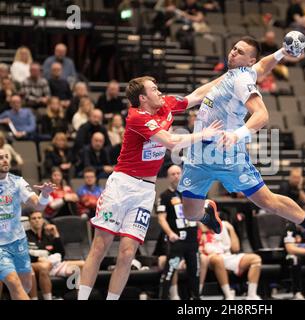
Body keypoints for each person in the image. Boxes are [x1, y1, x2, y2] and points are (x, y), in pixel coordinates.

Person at [178, 36, 305, 261]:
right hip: (199, 155)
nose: (233, 53)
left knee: (268, 202)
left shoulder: (242, 79)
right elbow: (261, 66)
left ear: (248, 60)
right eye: (233, 48)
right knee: (190, 213)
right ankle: (208, 213)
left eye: (240, 52)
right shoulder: (234, 74)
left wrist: (237, 134)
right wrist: (282, 52)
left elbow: (262, 115)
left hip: (228, 155)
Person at [77, 75, 223, 300]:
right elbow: (171, 141)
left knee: (127, 254)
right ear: (142, 98)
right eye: (154, 89)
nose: (160, 92)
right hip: (122, 187)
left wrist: (228, 76)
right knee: (100, 248)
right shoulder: (136, 117)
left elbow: (197, 95)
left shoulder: (166, 105)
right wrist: (203, 134)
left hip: (145, 191)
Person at [0, 148, 55, 300]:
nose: (5, 160)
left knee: (26, 285)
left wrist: (44, 194)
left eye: (6, 157)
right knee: (14, 282)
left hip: (18, 242)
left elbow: (38, 206)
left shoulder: (17, 182)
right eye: (0, 158)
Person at [157, 164, 200, 300]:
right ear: (168, 178)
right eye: (172, 174)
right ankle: (163, 297)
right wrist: (170, 233)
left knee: (194, 272)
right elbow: (161, 219)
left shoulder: (190, 193)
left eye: (178, 173)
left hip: (192, 242)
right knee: (170, 271)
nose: (176, 176)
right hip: (177, 242)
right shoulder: (164, 196)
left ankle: (196, 297)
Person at [27, 211, 85, 300]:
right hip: (36, 265)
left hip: (53, 264)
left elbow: (61, 254)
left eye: (39, 218)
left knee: (82, 264)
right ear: (30, 221)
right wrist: (38, 258)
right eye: (34, 218)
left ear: (43, 220)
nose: (37, 220)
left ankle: (81, 297)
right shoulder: (25, 235)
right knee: (44, 266)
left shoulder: (47, 235)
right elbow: (23, 254)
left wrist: (56, 234)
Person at [198, 220, 262, 300]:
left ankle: (251, 294)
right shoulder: (198, 225)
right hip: (210, 257)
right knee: (218, 259)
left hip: (227, 256)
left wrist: (231, 229)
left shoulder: (223, 225)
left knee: (255, 259)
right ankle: (228, 295)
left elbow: (236, 249)